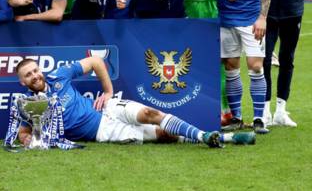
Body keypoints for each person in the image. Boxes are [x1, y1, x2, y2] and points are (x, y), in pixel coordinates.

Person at [14, 56, 255, 146]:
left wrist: (107, 92)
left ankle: (205, 136)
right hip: (102, 132)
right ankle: (225, 137)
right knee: (164, 135)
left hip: (107, 107)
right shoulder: (27, 106)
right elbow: (23, 133)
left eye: (35, 70)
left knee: (150, 113)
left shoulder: (59, 75)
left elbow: (97, 62)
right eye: (29, 75)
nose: (35, 76)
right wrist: (29, 139)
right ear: (23, 83)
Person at [200, 0, 272, 134]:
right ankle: (237, 117)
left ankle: (259, 118)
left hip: (251, 21)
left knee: (256, 67)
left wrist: (262, 18)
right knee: (231, 69)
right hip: (225, 21)